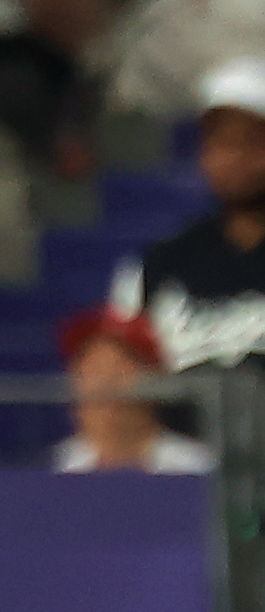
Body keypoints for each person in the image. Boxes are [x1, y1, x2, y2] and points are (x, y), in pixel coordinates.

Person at [111, 58, 265, 371]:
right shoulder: (157, 266)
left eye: (251, 141)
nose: (235, 157)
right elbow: (121, 378)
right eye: (221, 141)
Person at [50, 305, 207, 471]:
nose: (106, 386)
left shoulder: (195, 469)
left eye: (119, 370)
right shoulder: (55, 469)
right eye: (94, 371)